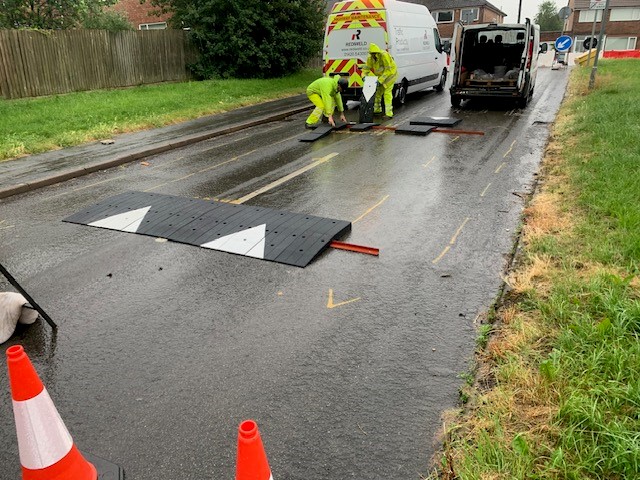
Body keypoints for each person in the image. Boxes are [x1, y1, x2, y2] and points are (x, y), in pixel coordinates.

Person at [361, 43, 397, 118]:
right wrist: (363, 76)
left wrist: (380, 81)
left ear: (377, 52)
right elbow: (366, 69)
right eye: (372, 54)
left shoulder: (384, 55)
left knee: (387, 93)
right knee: (377, 93)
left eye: (375, 54)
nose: (374, 55)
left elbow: (388, 70)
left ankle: (389, 114)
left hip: (390, 76)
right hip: (381, 76)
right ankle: (377, 110)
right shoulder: (370, 58)